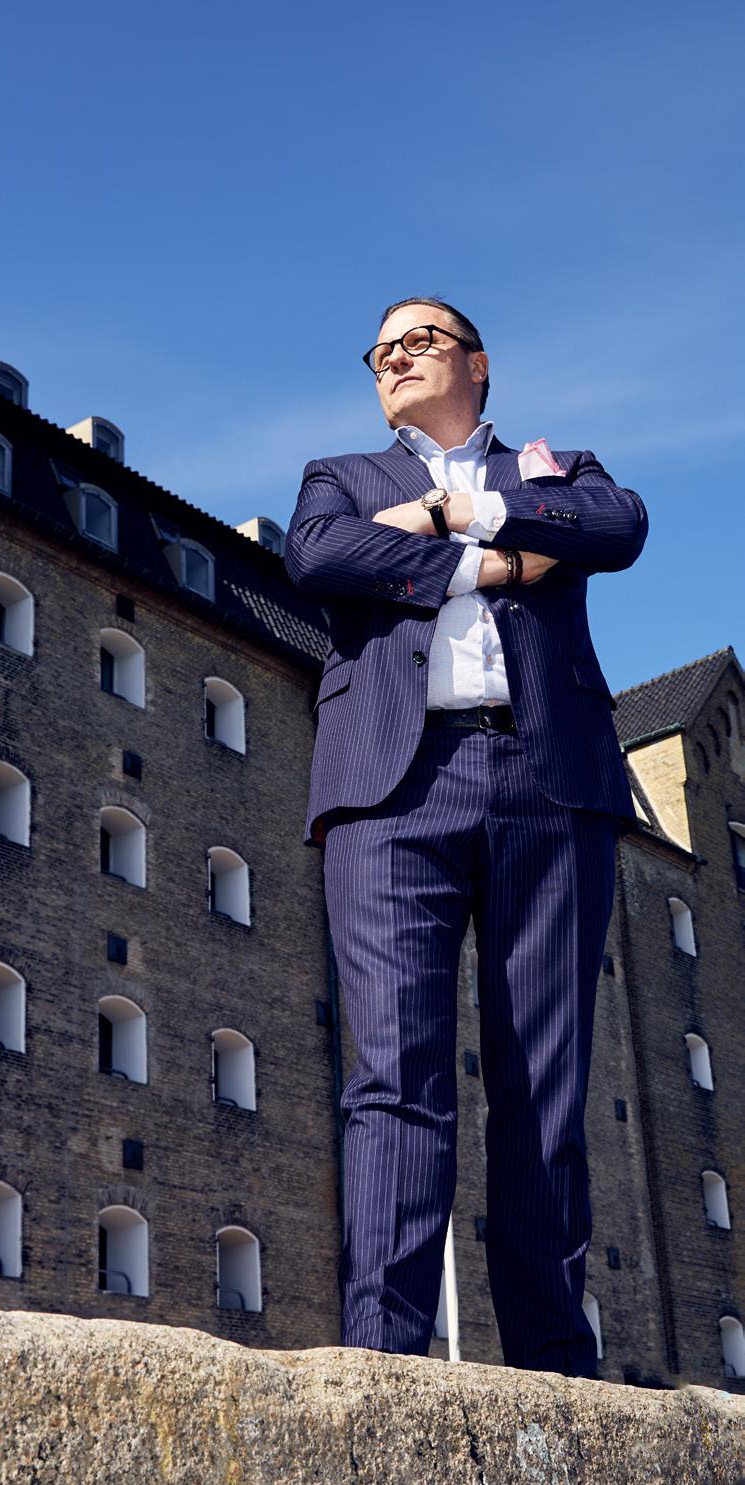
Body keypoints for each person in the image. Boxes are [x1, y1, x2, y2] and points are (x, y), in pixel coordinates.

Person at [283, 296, 648, 1377]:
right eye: (380, 351)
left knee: (544, 1076)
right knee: (396, 1071)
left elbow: (615, 528)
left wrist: (446, 516)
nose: (394, 358)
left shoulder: (559, 468)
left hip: (549, 779)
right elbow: (319, 556)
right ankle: (384, 1361)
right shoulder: (339, 477)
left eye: (421, 340)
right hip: (392, 788)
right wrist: (484, 549)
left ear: (478, 364)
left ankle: (555, 1369)